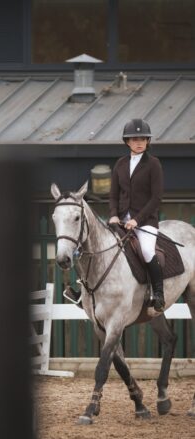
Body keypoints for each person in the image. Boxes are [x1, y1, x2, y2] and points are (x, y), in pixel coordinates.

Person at [64, 118, 165, 312]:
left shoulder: (153, 164)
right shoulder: (120, 164)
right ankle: (81, 292)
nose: (139, 142)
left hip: (145, 222)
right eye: (135, 139)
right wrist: (113, 215)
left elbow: (156, 198)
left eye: (143, 138)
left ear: (147, 141)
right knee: (90, 245)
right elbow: (113, 195)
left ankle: (158, 293)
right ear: (127, 142)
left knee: (147, 250)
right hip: (120, 220)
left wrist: (137, 220)